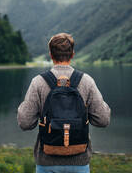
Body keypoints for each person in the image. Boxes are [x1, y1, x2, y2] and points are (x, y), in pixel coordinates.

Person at [17, 33, 111, 173]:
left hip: (46, 162)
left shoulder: (38, 82)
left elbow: (25, 123)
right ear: (72, 54)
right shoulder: (87, 81)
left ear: (51, 54)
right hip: (79, 162)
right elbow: (103, 120)